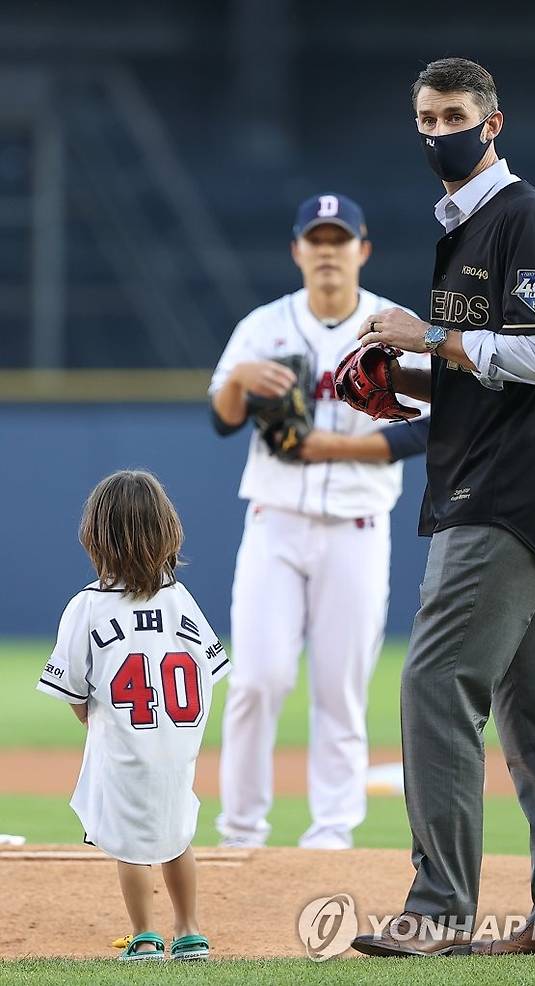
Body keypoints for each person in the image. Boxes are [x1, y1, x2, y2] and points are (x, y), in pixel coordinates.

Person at [349, 58, 535, 956]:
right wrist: (410, 373)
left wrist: (433, 336)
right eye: (424, 116)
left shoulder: (522, 216)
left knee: (434, 683)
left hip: (501, 492)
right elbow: (481, 367)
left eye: (453, 114)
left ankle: (438, 912)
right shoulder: (462, 224)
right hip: (507, 484)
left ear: (493, 123)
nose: (436, 131)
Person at [209, 193, 429, 850]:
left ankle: (332, 833)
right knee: (256, 679)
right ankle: (241, 829)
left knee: (341, 686)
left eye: (341, 239)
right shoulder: (262, 327)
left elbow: (433, 427)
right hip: (275, 522)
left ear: (362, 250)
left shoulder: (395, 325)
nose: (328, 250)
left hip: (357, 526)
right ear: (298, 251)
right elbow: (221, 419)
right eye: (317, 239)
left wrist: (338, 448)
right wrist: (239, 378)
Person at [36, 470, 230, 962]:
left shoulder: (87, 606)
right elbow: (208, 670)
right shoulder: (181, 599)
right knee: (177, 835)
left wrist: (99, 722)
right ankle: (189, 932)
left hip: (124, 746)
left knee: (129, 843)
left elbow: (74, 691)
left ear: (95, 537)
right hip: (175, 745)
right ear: (167, 531)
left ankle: (144, 935)